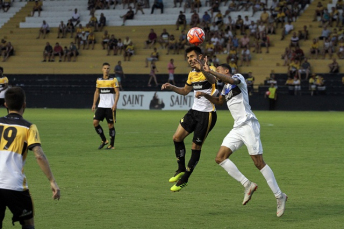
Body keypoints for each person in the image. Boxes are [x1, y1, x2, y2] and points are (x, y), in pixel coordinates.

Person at [194, 61, 287, 217]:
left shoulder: (238, 78)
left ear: (227, 71)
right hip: (237, 127)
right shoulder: (224, 88)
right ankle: (247, 184)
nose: (216, 71)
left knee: (258, 162)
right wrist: (204, 95)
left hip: (249, 123)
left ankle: (280, 196)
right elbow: (220, 102)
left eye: (219, 70)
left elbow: (231, 80)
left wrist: (212, 72)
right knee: (220, 158)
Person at [0, 87, 60, 229]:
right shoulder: (29, 127)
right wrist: (52, 181)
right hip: (15, 185)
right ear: (24, 104)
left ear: (5, 105)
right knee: (28, 224)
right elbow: (39, 155)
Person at [161, 46, 217, 192]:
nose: (190, 59)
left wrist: (204, 69)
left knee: (195, 147)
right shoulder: (192, 73)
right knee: (176, 138)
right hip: (194, 111)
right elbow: (186, 91)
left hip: (207, 114)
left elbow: (213, 81)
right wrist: (172, 87)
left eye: (192, 56)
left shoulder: (210, 68)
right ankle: (180, 168)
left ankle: (185, 178)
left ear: (200, 56)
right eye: (188, 57)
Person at [92, 63, 120, 150]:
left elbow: (117, 92)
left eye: (108, 68)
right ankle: (104, 140)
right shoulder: (99, 80)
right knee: (95, 122)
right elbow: (97, 92)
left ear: (109, 70)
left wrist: (115, 104)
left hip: (110, 106)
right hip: (101, 105)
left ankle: (111, 145)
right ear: (102, 69)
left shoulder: (113, 80)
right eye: (105, 68)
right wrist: (94, 104)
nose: (106, 70)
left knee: (110, 125)